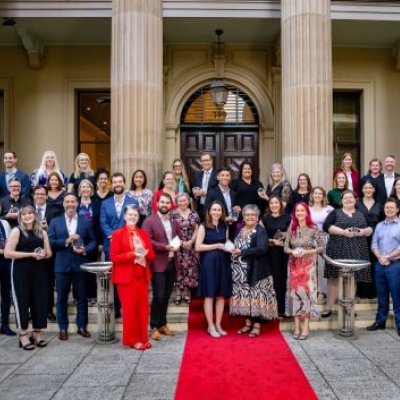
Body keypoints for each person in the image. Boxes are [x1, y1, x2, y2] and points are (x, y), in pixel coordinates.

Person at [48, 193, 97, 340]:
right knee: (61, 298)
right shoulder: (55, 221)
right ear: (63, 204)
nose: (70, 204)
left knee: (82, 297)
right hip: (61, 266)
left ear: (77, 204)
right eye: (67, 202)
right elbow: (50, 241)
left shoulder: (85, 221)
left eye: (73, 202)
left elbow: (93, 241)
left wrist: (85, 249)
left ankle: (82, 327)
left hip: (80, 265)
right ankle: (63, 328)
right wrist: (66, 241)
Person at [5, 205, 52, 350]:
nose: (27, 216)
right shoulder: (16, 231)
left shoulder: (41, 232)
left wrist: (43, 254)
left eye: (30, 213)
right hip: (20, 271)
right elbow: (7, 253)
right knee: (22, 301)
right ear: (20, 216)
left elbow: (49, 253)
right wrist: (30, 254)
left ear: (35, 215)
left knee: (39, 301)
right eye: (24, 214)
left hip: (38, 271)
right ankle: (23, 335)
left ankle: (37, 333)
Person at [322, 190, 373, 318]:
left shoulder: (362, 213)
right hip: (337, 249)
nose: (348, 200)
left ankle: (348, 308)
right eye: (346, 198)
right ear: (341, 200)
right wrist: (343, 232)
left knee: (352, 279)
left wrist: (362, 231)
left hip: (357, 250)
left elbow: (371, 228)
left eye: (351, 197)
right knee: (333, 278)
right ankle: (328, 308)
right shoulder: (335, 212)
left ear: (355, 200)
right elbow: (326, 226)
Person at [110, 205, 155, 350]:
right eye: (130, 215)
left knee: (143, 309)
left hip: (142, 276)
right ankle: (133, 340)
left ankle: (143, 338)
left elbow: (152, 256)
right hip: (126, 278)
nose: (132, 217)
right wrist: (132, 254)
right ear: (124, 217)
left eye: (135, 215)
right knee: (129, 310)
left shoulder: (143, 234)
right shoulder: (117, 234)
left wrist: (145, 253)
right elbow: (114, 258)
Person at [230, 204, 278, 337]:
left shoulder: (260, 230)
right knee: (245, 298)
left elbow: (262, 248)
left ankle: (257, 325)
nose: (250, 217)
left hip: (257, 271)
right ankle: (248, 323)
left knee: (256, 297)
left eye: (253, 215)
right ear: (243, 217)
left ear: (257, 217)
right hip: (239, 272)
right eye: (247, 215)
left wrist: (242, 251)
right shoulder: (239, 229)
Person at [100, 173, 138, 318]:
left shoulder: (133, 202)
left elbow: (133, 221)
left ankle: (127, 306)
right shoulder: (105, 203)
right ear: (112, 184)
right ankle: (115, 307)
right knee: (114, 276)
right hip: (110, 245)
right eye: (115, 182)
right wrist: (113, 237)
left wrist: (122, 237)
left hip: (128, 244)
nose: (117, 184)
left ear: (124, 183)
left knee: (128, 276)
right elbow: (103, 222)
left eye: (120, 181)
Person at [142, 193, 180, 341]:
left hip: (172, 263)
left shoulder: (174, 221)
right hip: (157, 264)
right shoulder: (149, 220)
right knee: (158, 296)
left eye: (167, 202)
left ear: (171, 205)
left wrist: (179, 244)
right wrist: (165, 247)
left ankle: (163, 324)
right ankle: (153, 327)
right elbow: (148, 241)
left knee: (166, 296)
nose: (165, 204)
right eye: (162, 202)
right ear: (157, 203)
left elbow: (177, 238)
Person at [284, 202, 324, 340]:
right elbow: (285, 247)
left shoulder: (313, 228)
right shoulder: (292, 227)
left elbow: (321, 247)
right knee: (295, 295)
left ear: (307, 212)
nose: (299, 213)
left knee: (307, 295)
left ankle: (306, 325)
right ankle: (296, 325)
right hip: (294, 265)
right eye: (297, 211)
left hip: (308, 267)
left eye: (302, 210)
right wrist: (293, 251)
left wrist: (307, 251)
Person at [195, 201, 231, 338]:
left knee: (221, 295)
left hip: (223, 262)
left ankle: (218, 324)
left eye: (219, 210)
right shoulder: (203, 226)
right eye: (214, 209)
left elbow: (226, 243)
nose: (216, 212)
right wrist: (216, 245)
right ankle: (210, 326)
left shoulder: (224, 226)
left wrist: (230, 248)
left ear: (222, 212)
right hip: (209, 263)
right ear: (209, 211)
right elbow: (198, 247)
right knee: (210, 294)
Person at [367, 198, 400, 335]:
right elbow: (374, 244)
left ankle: (399, 324)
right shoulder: (380, 225)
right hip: (380, 265)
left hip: (395, 265)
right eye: (387, 208)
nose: (389, 210)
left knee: (397, 296)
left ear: (397, 209)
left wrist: (387, 257)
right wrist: (380, 257)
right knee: (381, 295)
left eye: (392, 207)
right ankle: (380, 322)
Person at [32, 185, 63, 322]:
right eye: (37, 194)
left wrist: (47, 228)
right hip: (31, 252)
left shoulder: (55, 210)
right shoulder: (27, 211)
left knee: (49, 283)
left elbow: (58, 231)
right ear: (34, 195)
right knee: (32, 284)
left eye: (42, 194)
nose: (40, 196)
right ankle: (33, 311)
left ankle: (49, 310)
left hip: (50, 252)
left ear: (46, 196)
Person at [261, 195, 291, 317]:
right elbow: (261, 237)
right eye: (271, 203)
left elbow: (290, 235)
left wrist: (285, 237)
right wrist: (272, 241)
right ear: (269, 205)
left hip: (283, 253)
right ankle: (272, 309)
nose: (274, 205)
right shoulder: (264, 219)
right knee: (273, 281)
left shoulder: (287, 218)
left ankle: (282, 309)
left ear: (280, 204)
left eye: (276, 202)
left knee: (283, 280)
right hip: (270, 253)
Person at [170, 193, 200, 305]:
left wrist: (191, 241)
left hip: (191, 247)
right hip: (178, 246)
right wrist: (182, 243)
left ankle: (187, 293)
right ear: (177, 202)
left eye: (185, 200)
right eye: (180, 201)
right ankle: (178, 293)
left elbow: (197, 229)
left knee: (190, 269)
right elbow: (170, 231)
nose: (183, 203)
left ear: (188, 201)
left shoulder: (194, 214)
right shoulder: (173, 214)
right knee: (178, 269)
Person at [356, 179, 384, 299]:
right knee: (360, 264)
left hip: (375, 239)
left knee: (373, 264)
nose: (368, 190)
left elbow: (383, 222)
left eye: (370, 188)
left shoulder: (379, 204)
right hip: (358, 239)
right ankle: (361, 291)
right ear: (362, 189)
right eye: (365, 188)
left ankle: (373, 291)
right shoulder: (356, 203)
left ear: (374, 189)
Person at [78, 179, 100, 306]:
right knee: (78, 270)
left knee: (91, 269)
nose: (85, 189)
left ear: (91, 189)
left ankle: (92, 295)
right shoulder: (75, 203)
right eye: (83, 186)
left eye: (88, 187)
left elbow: (99, 223)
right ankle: (78, 295)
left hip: (93, 240)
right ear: (79, 190)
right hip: (78, 240)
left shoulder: (97, 204)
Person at [309, 187, 334, 301]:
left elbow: (333, 224)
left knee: (323, 265)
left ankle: (322, 291)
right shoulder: (307, 208)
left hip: (324, 238)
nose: (318, 195)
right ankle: (311, 289)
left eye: (320, 193)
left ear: (323, 196)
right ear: (312, 195)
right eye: (316, 193)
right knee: (310, 265)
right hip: (310, 238)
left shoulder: (329, 209)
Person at [204, 168, 241, 240]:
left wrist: (238, 209)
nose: (225, 177)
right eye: (222, 175)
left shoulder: (233, 193)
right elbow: (206, 211)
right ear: (218, 177)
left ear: (230, 177)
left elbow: (235, 207)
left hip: (232, 227)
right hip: (218, 227)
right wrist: (224, 218)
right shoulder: (212, 192)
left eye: (227, 175)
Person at [0, 214, 15, 336]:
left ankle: (4, 325)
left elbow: (10, 241)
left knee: (6, 295)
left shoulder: (5, 223)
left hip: (6, 262)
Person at [192, 152, 218, 221]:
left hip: (214, 208)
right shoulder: (198, 175)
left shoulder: (218, 174)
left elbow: (219, 191)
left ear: (211, 161)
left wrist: (206, 193)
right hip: (201, 208)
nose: (205, 162)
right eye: (203, 161)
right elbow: (194, 188)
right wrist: (195, 193)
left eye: (207, 160)